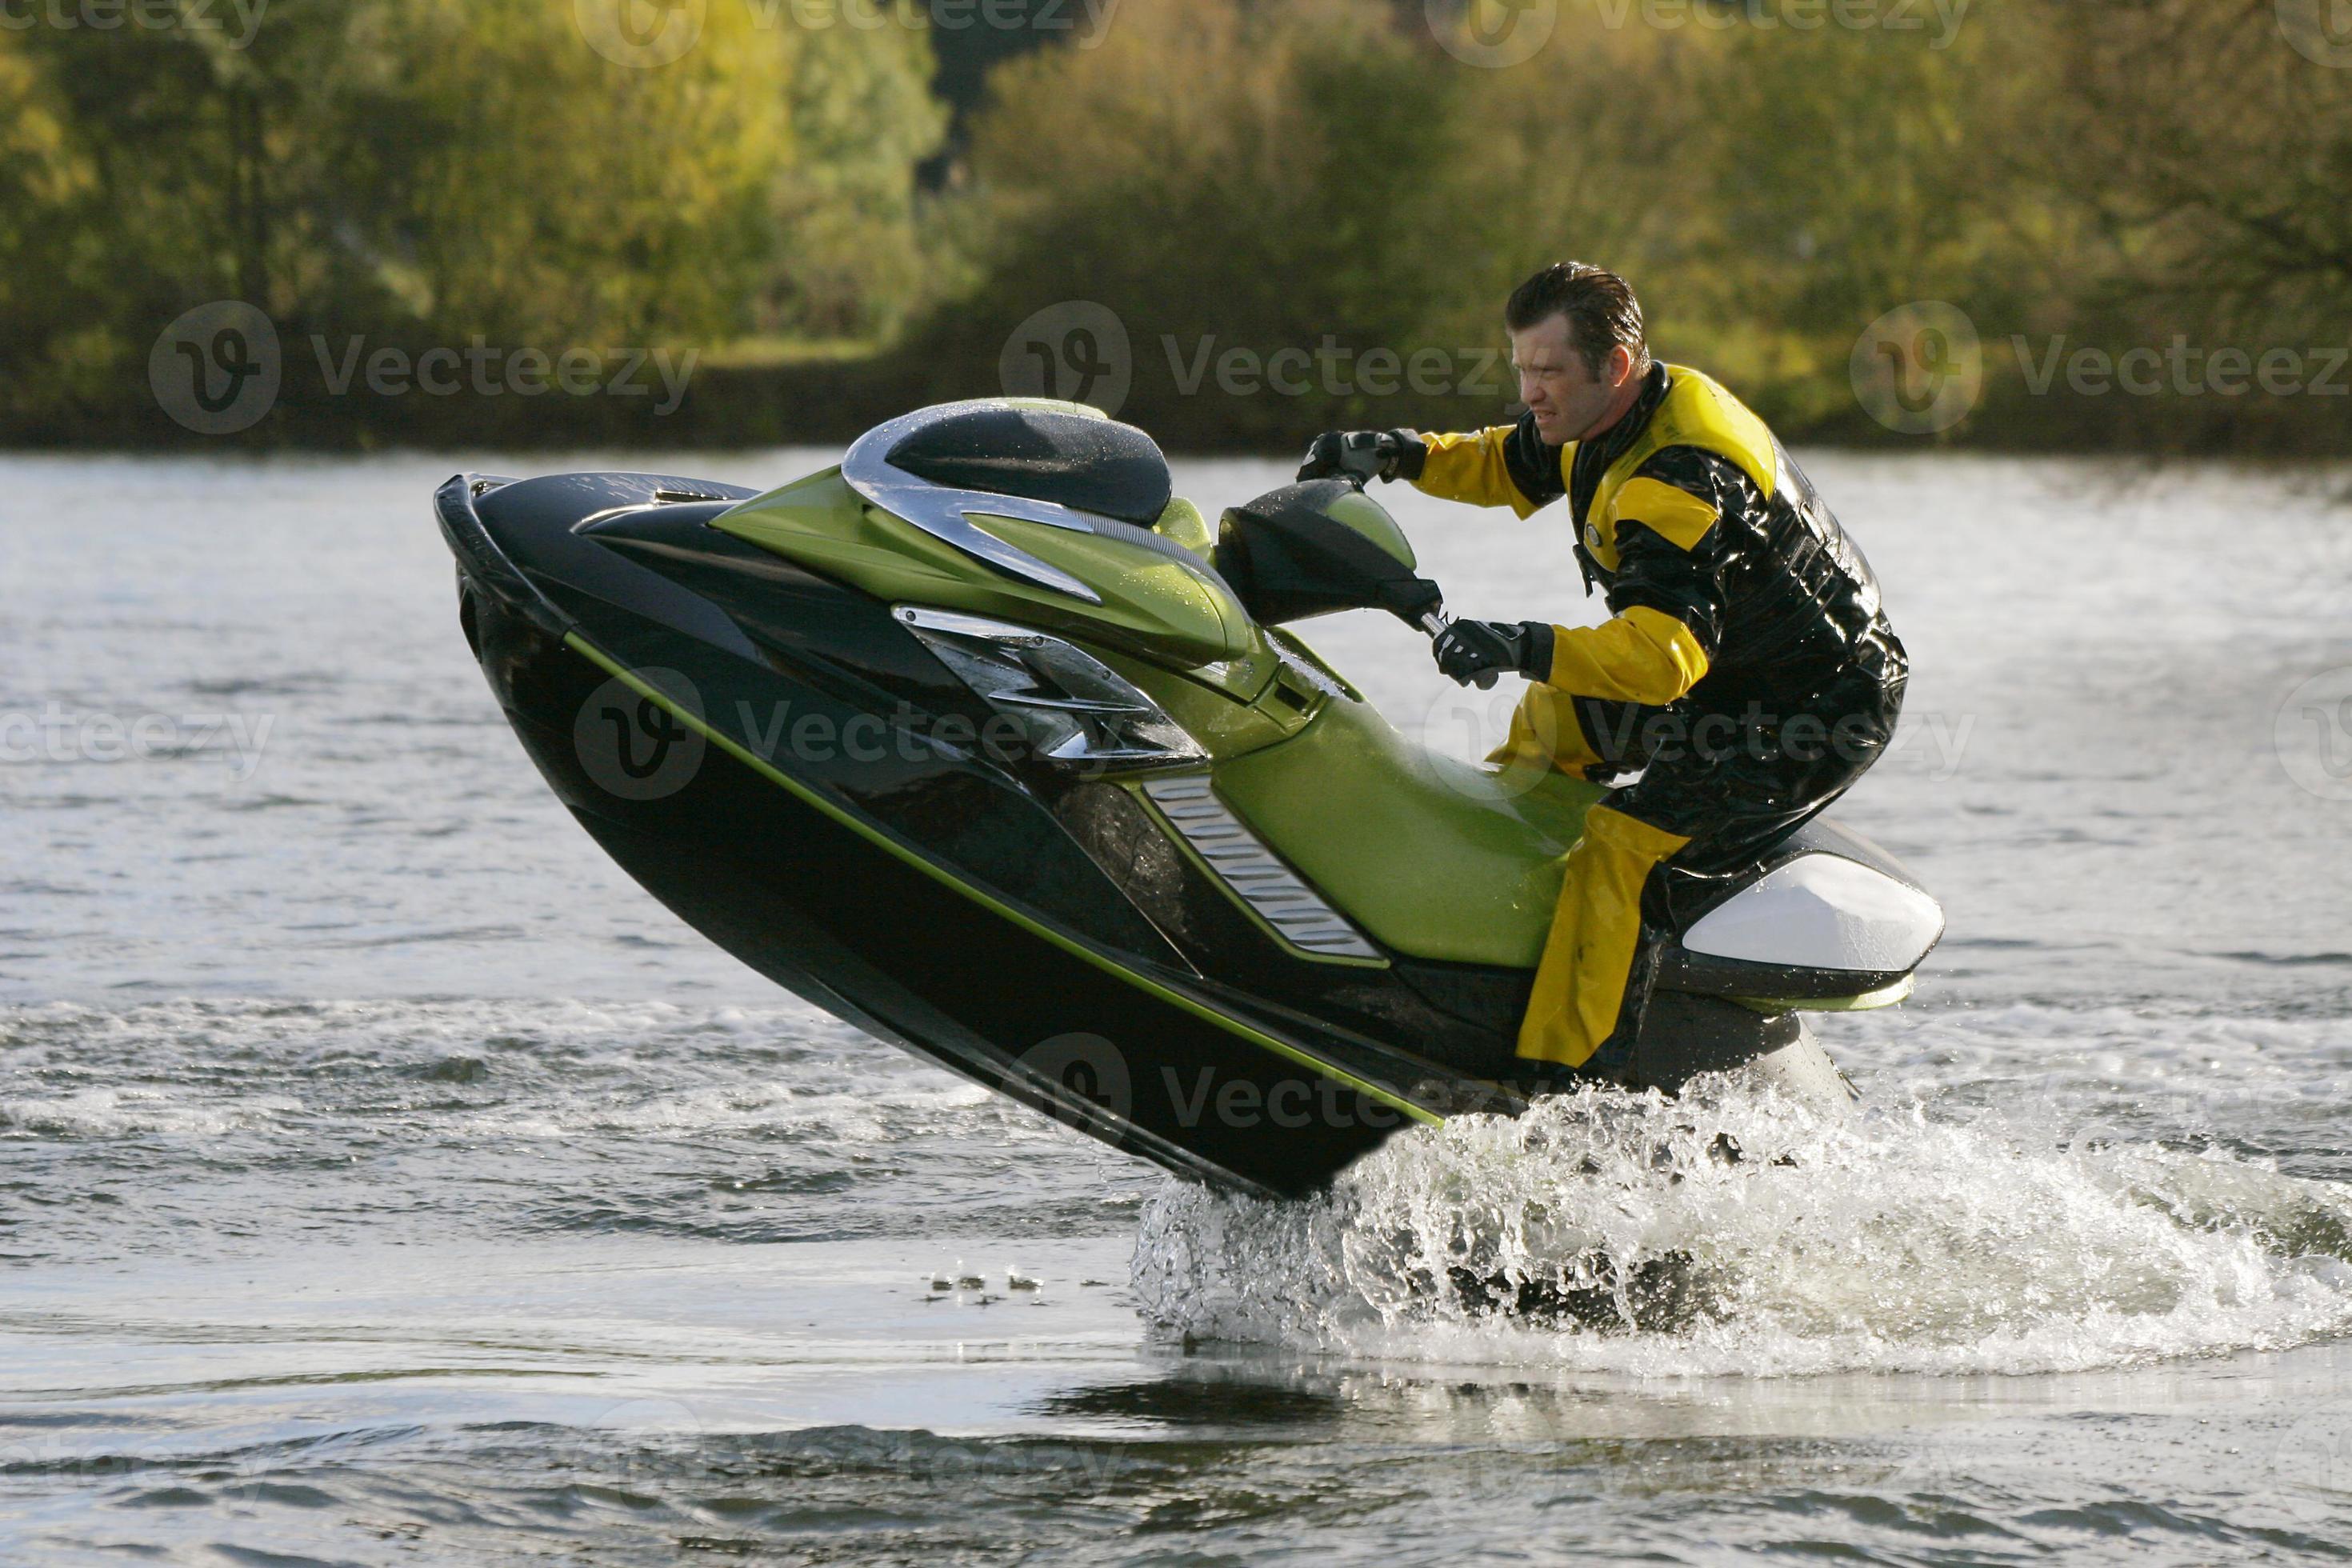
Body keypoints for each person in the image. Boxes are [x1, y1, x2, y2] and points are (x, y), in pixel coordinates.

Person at [1298, 262, 1906, 1082]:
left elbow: (1660, 663)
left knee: (1625, 847)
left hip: (1810, 707)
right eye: (1521, 369)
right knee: (1554, 721)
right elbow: (1507, 463)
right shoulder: (1606, 418)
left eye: (1546, 372)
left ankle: (1569, 1078)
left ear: (1613, 366)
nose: (1529, 392)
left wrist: (1517, 643)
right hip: (1727, 673)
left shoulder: (1680, 478)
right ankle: (1494, 952)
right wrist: (1400, 454)